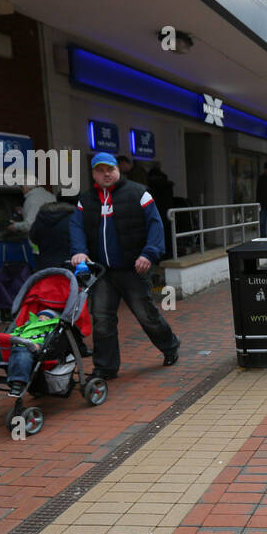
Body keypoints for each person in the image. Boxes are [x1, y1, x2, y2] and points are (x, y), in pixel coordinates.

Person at [70, 151, 180, 379]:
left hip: (133, 268)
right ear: (93, 174)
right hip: (101, 272)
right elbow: (76, 227)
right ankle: (105, 367)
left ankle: (170, 346)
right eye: (100, 171)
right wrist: (79, 251)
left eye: (110, 169)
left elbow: (155, 226)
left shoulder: (139, 194)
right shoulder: (85, 200)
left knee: (146, 315)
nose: (106, 174)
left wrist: (149, 254)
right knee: (101, 318)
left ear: (118, 170)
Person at [0, 309, 60, 399]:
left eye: (46, 317)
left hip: (27, 348)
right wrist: (5, 339)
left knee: (21, 357)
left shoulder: (50, 328)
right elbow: (13, 334)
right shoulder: (26, 326)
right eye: (40, 317)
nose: (42, 319)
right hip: (9, 346)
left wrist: (38, 345)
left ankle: (18, 382)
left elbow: (49, 341)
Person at [29, 199, 76, 271]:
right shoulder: (72, 219)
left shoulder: (40, 220)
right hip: (69, 264)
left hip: (44, 265)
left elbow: (33, 239)